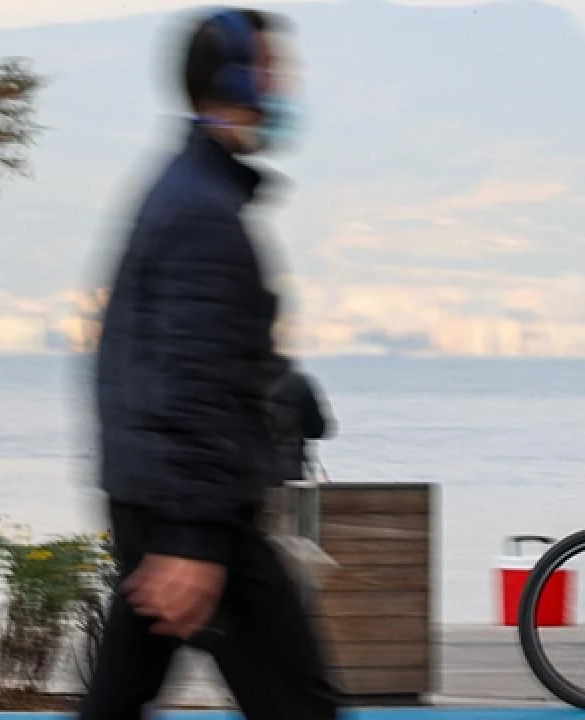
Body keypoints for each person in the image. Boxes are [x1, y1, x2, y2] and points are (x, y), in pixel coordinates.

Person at [82, 7, 339, 719]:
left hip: (163, 504)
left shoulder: (185, 191)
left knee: (120, 699)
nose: (284, 85)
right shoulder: (202, 212)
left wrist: (288, 398)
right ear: (230, 79)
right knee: (300, 704)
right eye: (270, 70)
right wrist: (190, 540)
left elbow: (181, 359)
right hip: (193, 514)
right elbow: (188, 378)